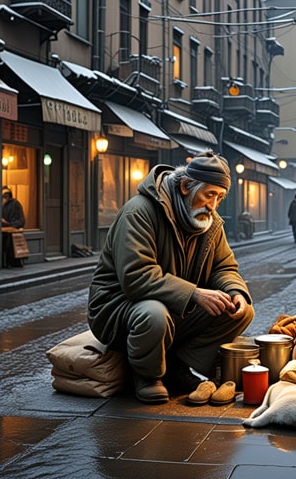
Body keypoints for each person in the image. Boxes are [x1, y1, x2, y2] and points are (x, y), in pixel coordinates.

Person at [87, 151, 254, 405]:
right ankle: (146, 376)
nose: (213, 205)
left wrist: (235, 292)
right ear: (186, 186)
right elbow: (137, 277)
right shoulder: (139, 212)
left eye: (220, 198)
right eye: (209, 195)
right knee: (154, 313)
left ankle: (177, 366)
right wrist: (195, 294)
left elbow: (224, 267)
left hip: (174, 307)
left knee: (240, 310)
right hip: (117, 308)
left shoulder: (211, 223)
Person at [1, 186, 26, 268]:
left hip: (10, 233)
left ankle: (10, 262)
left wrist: (8, 224)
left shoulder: (15, 204)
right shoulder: (0, 204)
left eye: (6, 195)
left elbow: (20, 221)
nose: (4, 197)